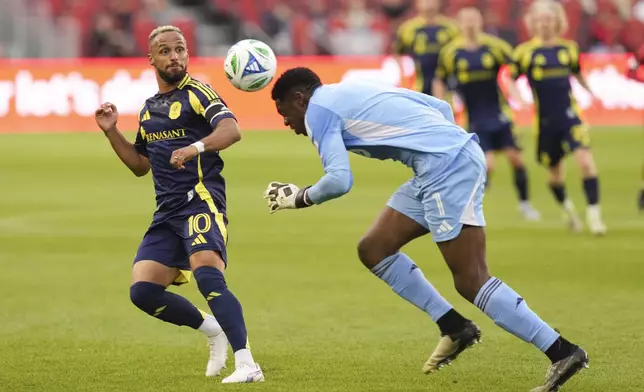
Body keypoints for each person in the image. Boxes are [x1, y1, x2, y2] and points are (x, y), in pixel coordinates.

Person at [264, 67, 589, 391]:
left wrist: (299, 197)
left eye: (284, 113)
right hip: (436, 167)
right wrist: (442, 147)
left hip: (445, 170)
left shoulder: (319, 112)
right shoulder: (346, 91)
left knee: (472, 280)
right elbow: (441, 108)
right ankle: (454, 326)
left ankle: (562, 351)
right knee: (374, 248)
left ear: (299, 99)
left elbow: (339, 180)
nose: (287, 123)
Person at [94, 25, 264, 384]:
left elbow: (232, 130)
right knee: (143, 291)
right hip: (167, 212)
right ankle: (212, 329)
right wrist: (112, 131)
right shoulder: (148, 110)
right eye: (166, 51)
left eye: (180, 50)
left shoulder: (197, 93)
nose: (175, 57)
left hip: (201, 201)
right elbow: (141, 165)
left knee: (207, 274)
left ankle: (248, 364)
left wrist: (195, 147)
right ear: (152, 58)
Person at [434, 7, 540, 220]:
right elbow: (440, 79)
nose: (471, 24)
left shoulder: (495, 47)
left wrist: (517, 95)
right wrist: (439, 105)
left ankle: (525, 204)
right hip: (475, 117)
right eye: (466, 20)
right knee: (487, 164)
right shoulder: (451, 52)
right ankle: (471, 205)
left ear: (480, 21)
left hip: (499, 112)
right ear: (460, 23)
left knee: (516, 159)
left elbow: (513, 70)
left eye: (474, 19)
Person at [512, 0, 606, 234]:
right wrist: (519, 99)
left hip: (570, 116)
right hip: (544, 122)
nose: (544, 24)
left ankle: (595, 217)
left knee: (585, 162)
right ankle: (568, 209)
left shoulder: (569, 48)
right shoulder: (525, 52)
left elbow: (577, 73)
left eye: (549, 19)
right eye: (540, 20)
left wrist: (591, 92)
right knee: (555, 176)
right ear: (532, 23)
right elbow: (509, 78)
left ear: (558, 22)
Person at [393, 0, 459, 95]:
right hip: (419, 84)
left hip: (447, 83)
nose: (429, 4)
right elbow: (398, 53)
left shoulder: (452, 28)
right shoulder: (407, 29)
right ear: (418, 3)